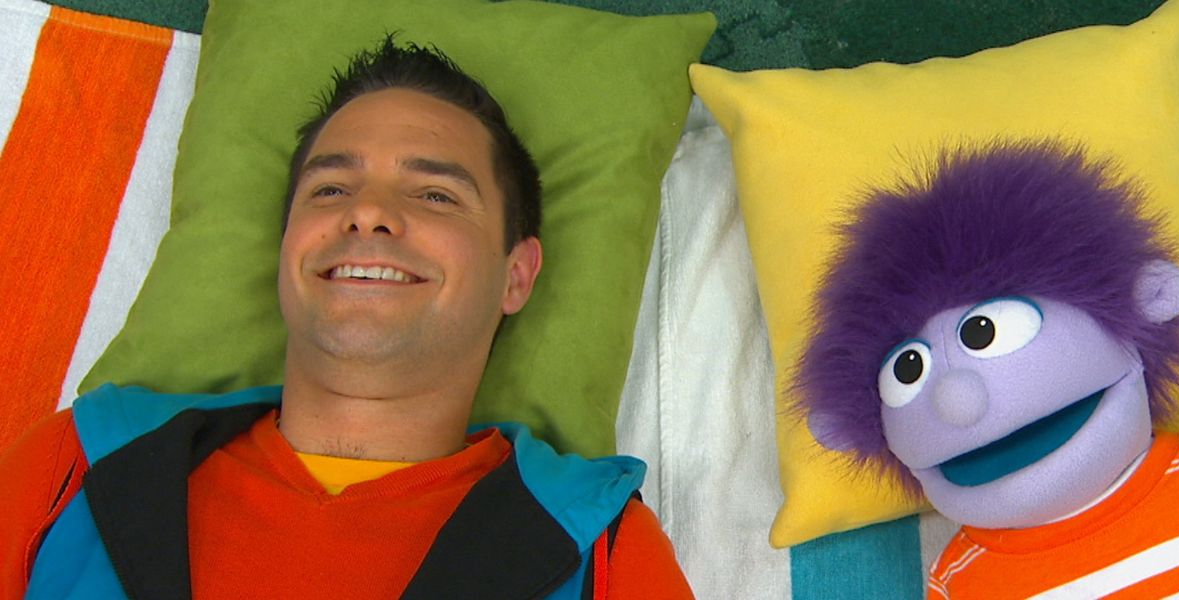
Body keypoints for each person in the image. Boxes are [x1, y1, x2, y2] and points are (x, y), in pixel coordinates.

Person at [0, 35, 693, 600]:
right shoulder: (80, 462)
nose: (368, 212)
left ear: (516, 274)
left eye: (436, 194)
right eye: (331, 188)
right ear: (287, 250)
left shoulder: (601, 552)